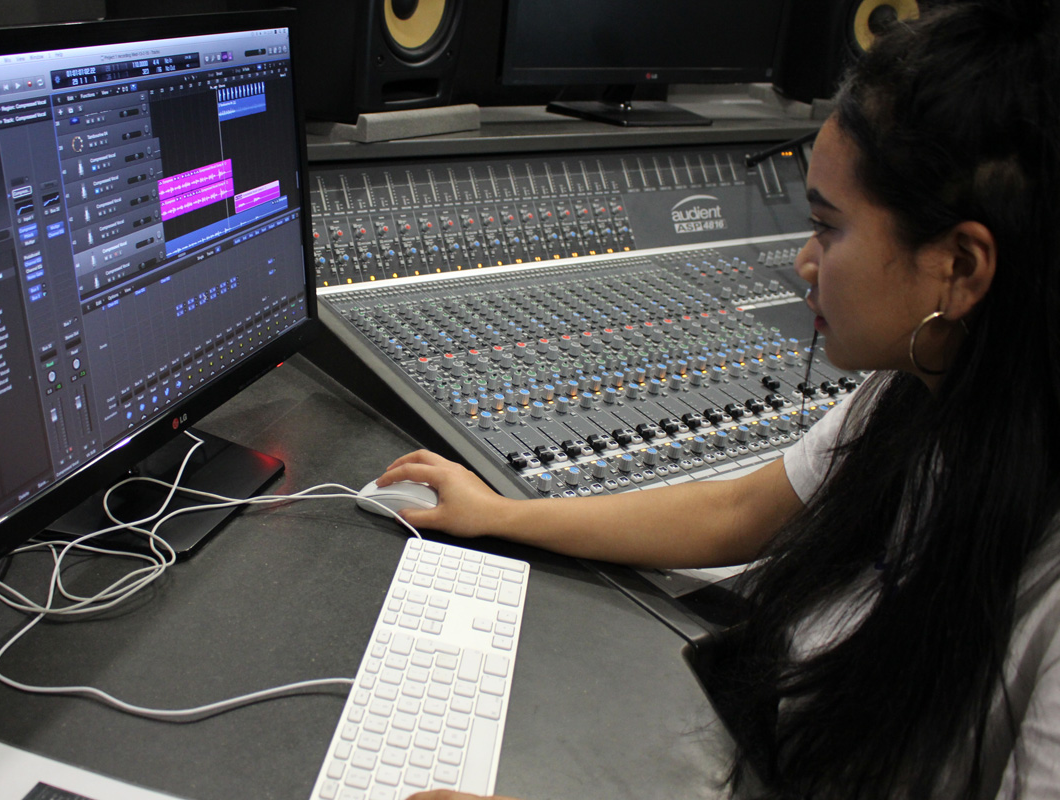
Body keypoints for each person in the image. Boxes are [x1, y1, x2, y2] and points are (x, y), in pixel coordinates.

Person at [378, 1, 1060, 797]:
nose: (804, 262)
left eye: (829, 228)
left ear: (961, 267)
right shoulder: (912, 394)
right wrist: (499, 513)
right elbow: (739, 512)